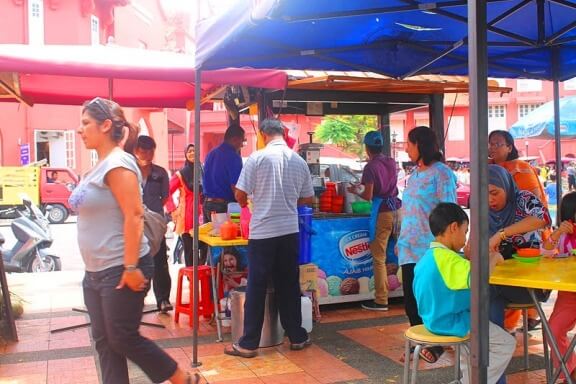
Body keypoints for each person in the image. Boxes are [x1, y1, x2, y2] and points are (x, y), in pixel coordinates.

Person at [68, 97, 190, 384]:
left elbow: (134, 215)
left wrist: (132, 266)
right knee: (106, 343)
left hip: (121, 267)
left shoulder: (119, 162)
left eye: (86, 123)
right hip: (96, 271)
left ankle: (180, 378)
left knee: (122, 337)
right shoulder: (98, 166)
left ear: (106, 125)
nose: (79, 130)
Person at [224, 118, 314, 358]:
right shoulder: (298, 160)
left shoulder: (257, 158)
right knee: (288, 283)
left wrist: (248, 201)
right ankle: (296, 336)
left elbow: (240, 194)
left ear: (263, 134)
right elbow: (308, 198)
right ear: (283, 133)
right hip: (289, 230)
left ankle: (249, 343)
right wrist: (287, 201)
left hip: (263, 232)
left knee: (257, 285)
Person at [413, 203, 515, 384]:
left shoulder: (430, 257)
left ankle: (467, 379)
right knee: (506, 344)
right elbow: (479, 277)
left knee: (470, 353)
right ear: (453, 227)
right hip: (453, 321)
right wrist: (493, 259)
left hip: (432, 319)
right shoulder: (448, 259)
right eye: (465, 231)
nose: (465, 239)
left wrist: (468, 259)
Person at [396, 126, 458, 364]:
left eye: (409, 144)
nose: (406, 149)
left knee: (430, 300)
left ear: (421, 144)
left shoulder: (441, 173)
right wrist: (400, 239)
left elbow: (449, 210)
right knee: (411, 302)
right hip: (408, 248)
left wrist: (450, 247)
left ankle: (436, 343)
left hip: (429, 249)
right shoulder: (415, 174)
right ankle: (421, 343)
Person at [488, 130, 547, 331]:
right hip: (501, 274)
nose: (492, 148)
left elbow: (541, 217)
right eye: (490, 144)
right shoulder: (489, 176)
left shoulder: (522, 179)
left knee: (489, 290)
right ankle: (494, 339)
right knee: (481, 289)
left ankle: (497, 337)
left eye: (497, 144)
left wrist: (502, 233)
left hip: (530, 276)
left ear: (510, 147)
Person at [348, 130, 401, 311]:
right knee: (405, 253)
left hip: (383, 212)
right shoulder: (391, 162)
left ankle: (381, 300)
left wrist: (355, 191)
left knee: (379, 258)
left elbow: (369, 194)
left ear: (367, 148)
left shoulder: (370, 167)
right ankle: (408, 293)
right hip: (398, 209)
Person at [134, 135, 172, 313]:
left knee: (160, 261)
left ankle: (163, 299)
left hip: (155, 222)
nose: (147, 155)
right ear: (136, 151)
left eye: (150, 151)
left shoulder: (160, 173)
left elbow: (165, 196)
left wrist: (152, 213)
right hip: (133, 221)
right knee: (136, 260)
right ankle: (136, 300)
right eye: (143, 151)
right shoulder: (130, 171)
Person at [540, 191, 576, 382]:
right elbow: (545, 252)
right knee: (553, 329)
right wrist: (558, 232)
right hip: (569, 293)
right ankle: (568, 371)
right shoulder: (562, 237)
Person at [165, 144, 206, 267]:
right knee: (189, 251)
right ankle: (191, 278)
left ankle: (201, 274)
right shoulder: (181, 174)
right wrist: (172, 210)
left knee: (204, 247)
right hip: (187, 216)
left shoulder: (203, 171)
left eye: (195, 150)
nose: (192, 153)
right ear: (185, 154)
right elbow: (166, 192)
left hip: (203, 214)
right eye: (189, 151)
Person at [202, 124, 245, 222]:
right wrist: (244, 204)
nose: (242, 145)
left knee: (210, 236)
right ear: (235, 139)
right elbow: (236, 187)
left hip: (207, 204)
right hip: (223, 207)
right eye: (242, 141)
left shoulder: (211, 153)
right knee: (229, 235)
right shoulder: (234, 157)